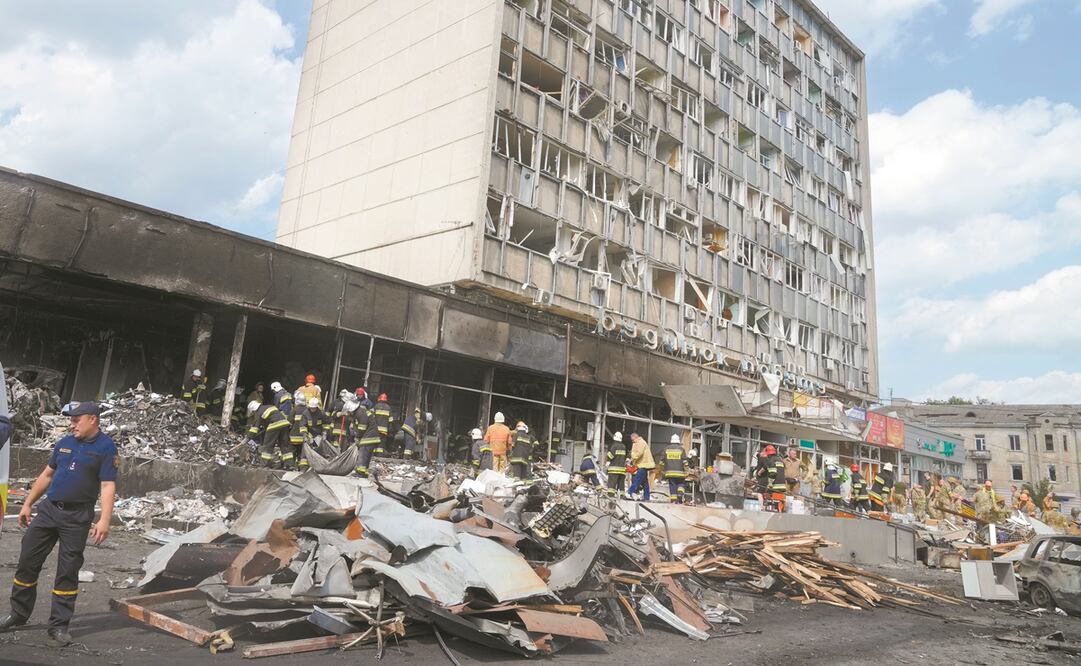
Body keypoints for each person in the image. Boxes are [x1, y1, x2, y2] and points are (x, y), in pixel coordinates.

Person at [1, 401, 116, 647]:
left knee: (68, 570)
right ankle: (18, 613)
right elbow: (47, 475)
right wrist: (27, 503)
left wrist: (104, 519)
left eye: (76, 420)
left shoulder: (106, 447)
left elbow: (107, 486)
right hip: (49, 511)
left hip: (77, 517)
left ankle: (59, 625)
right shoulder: (64, 443)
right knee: (27, 562)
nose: (71, 424)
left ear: (92, 420)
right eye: (71, 420)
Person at [247, 399, 292, 468]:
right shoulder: (269, 406)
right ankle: (289, 464)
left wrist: (248, 437)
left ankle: (264, 464)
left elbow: (255, 428)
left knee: (268, 446)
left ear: (253, 410)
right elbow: (274, 417)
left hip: (274, 425)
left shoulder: (259, 412)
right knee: (285, 445)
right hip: (284, 424)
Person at [626, 433, 655, 501]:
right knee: (645, 482)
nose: (632, 441)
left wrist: (632, 457)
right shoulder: (637, 442)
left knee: (637, 479)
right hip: (642, 464)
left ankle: (630, 492)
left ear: (636, 437)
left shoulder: (641, 442)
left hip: (643, 464)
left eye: (632, 440)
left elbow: (639, 453)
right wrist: (631, 460)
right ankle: (646, 497)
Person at [662, 434, 689, 504]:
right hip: (680, 472)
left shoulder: (666, 449)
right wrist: (687, 470)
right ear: (678, 442)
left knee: (672, 485)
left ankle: (673, 500)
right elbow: (685, 462)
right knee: (681, 483)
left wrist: (662, 470)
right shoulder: (681, 449)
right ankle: (680, 494)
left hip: (669, 472)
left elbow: (661, 462)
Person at [605, 432, 627, 497]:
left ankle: (611, 495)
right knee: (621, 483)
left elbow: (611, 455)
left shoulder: (614, 445)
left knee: (612, 482)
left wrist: (607, 461)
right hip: (622, 469)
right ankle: (622, 495)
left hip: (614, 469)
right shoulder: (623, 446)